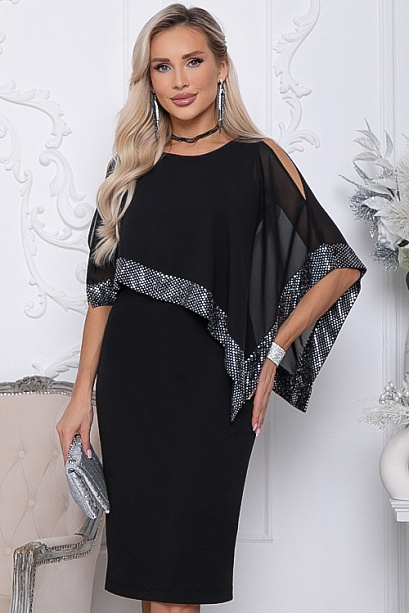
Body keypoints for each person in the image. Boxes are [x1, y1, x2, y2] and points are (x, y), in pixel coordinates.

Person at [57, 4, 366, 613]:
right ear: (148, 80)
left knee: (182, 581)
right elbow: (103, 291)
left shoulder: (258, 159)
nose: (179, 81)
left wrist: (273, 351)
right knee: (149, 581)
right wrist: (79, 397)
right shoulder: (130, 167)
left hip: (210, 392)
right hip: (132, 389)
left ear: (221, 67)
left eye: (193, 61)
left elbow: (338, 266)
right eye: (162, 67)